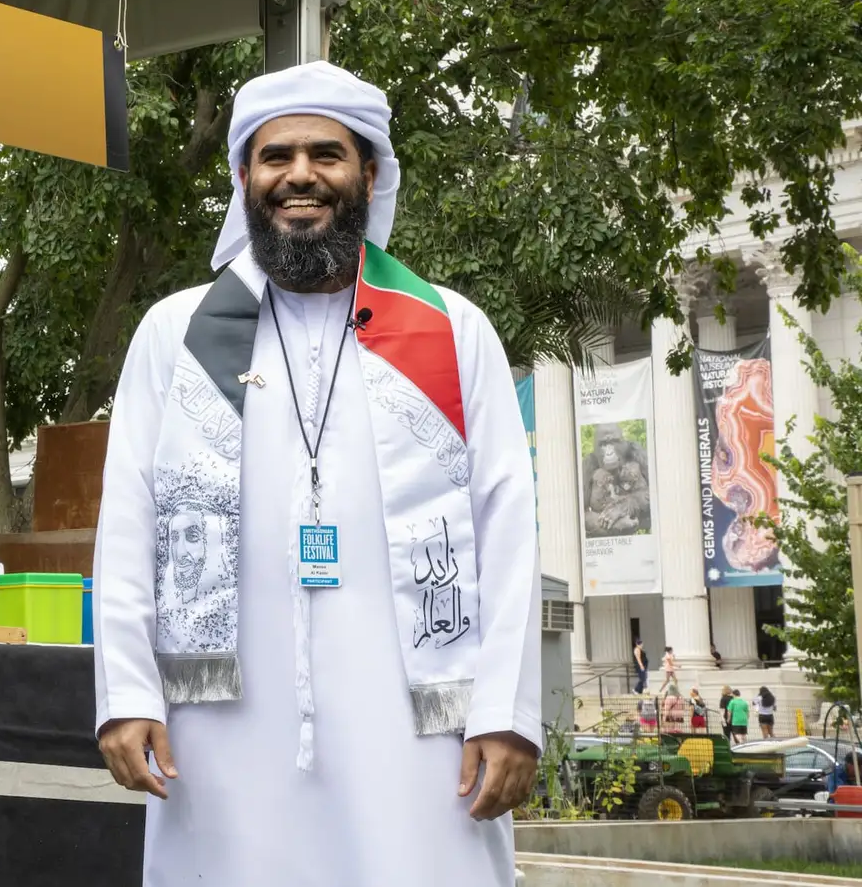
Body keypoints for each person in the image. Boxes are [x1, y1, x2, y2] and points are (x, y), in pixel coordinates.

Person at [93, 61, 541, 887]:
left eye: (327, 155)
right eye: (276, 157)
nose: (300, 176)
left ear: (369, 174)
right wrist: (128, 693)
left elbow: (507, 528)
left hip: (421, 739)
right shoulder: (177, 335)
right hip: (219, 736)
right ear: (244, 179)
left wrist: (507, 716)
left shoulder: (452, 331)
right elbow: (128, 522)